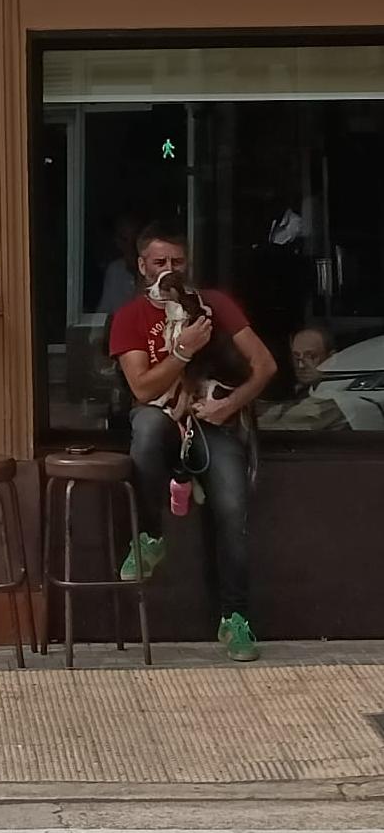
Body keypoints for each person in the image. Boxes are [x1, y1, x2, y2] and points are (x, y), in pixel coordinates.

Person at [108, 222, 278, 662]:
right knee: (144, 429)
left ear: (188, 265)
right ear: (143, 267)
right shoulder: (129, 316)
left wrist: (229, 405)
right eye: (160, 263)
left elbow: (265, 364)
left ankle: (235, 618)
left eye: (177, 263)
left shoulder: (213, 304)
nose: (169, 270)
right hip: (161, 413)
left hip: (214, 416)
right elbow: (142, 390)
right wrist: (181, 351)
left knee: (232, 506)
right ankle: (149, 536)